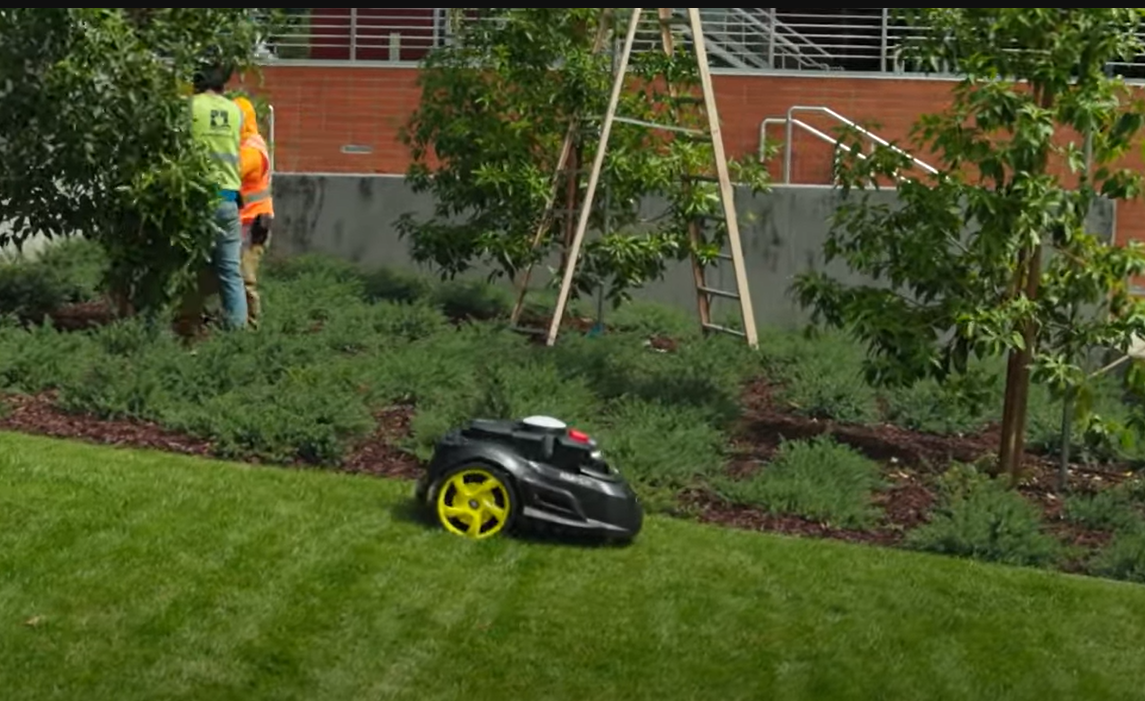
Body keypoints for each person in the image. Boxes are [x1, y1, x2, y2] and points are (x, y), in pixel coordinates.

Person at [175, 60, 248, 339]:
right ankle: (238, 336)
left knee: (189, 268)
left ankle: (188, 330)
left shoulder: (190, 107)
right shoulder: (235, 111)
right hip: (229, 199)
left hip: (198, 199)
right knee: (231, 272)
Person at [233, 96, 274, 329]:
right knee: (234, 274)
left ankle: (251, 327)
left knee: (245, 276)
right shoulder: (245, 144)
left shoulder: (250, 149)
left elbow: (231, 173)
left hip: (254, 222)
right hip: (245, 221)